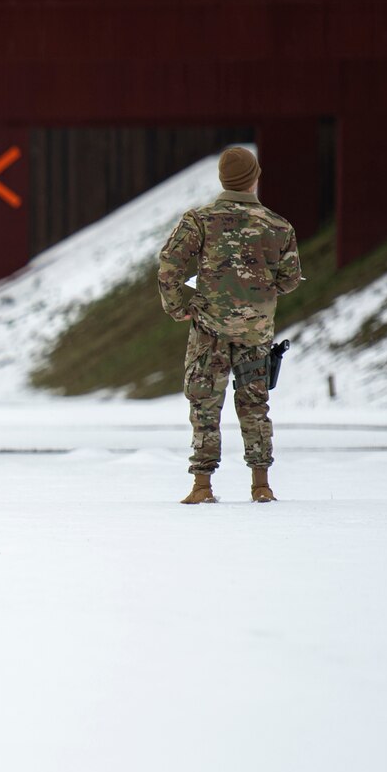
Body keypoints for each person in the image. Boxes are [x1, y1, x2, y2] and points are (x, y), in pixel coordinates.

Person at [157, 145, 302, 504]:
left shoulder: (199, 221)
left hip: (208, 331)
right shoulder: (278, 226)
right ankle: (261, 485)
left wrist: (180, 307)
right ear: (254, 178)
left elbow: (169, 266)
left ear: (223, 178)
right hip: (255, 333)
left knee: (204, 405)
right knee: (255, 406)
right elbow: (290, 279)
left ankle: (202, 486)